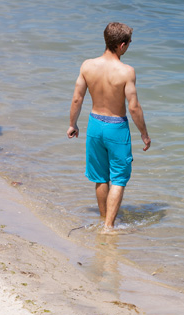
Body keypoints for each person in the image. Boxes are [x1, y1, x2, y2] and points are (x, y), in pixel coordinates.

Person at [67, 22, 151, 231]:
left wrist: (72, 124)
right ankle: (108, 226)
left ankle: (104, 218)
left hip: (95, 124)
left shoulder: (87, 66)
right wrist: (144, 134)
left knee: (100, 177)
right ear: (122, 45)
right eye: (130, 42)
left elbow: (77, 99)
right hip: (116, 128)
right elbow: (133, 107)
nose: (130, 45)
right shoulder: (126, 72)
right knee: (119, 179)